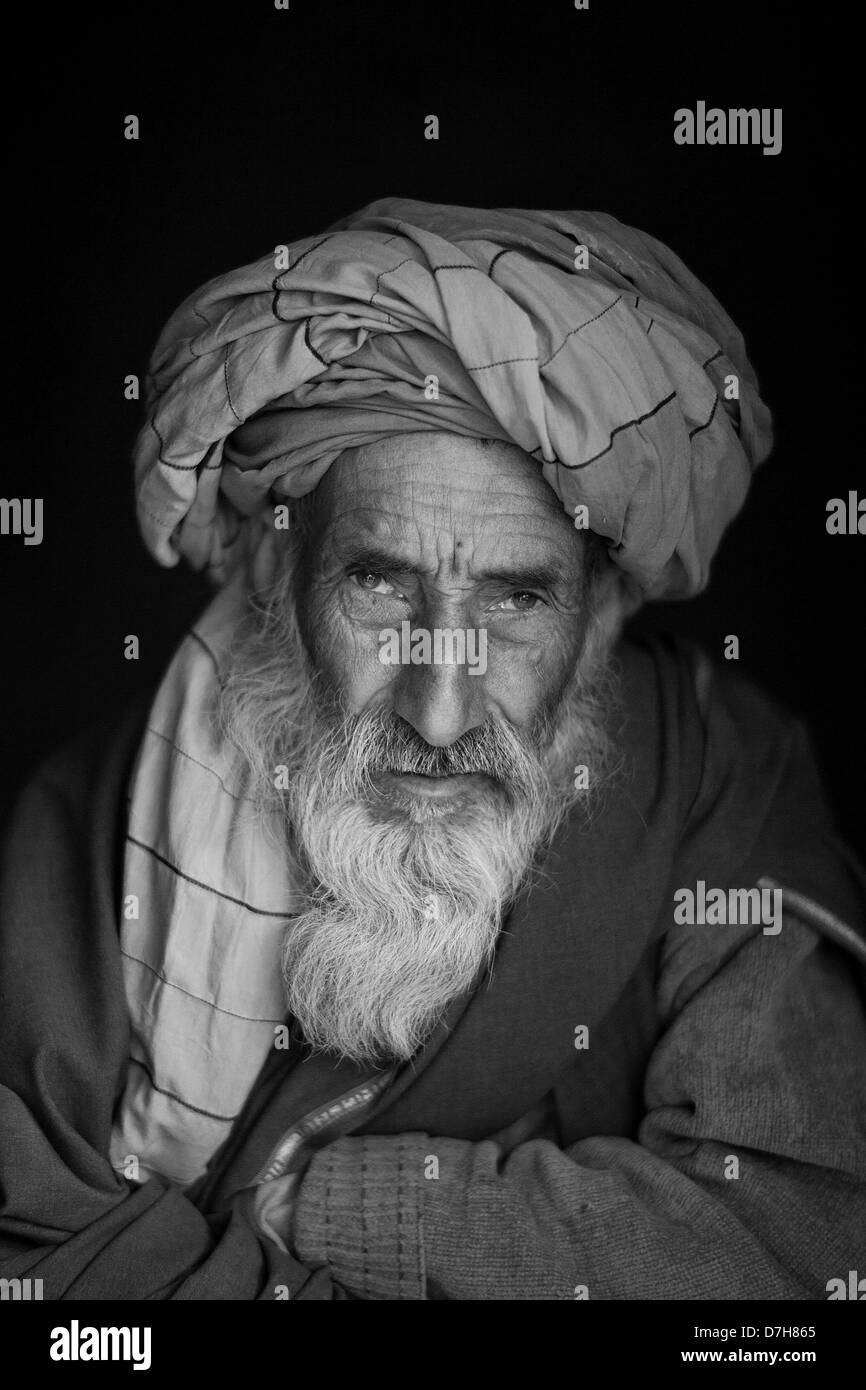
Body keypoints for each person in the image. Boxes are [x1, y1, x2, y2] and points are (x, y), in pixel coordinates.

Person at [1, 198, 864, 1301]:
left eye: (514, 601)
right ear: (274, 575)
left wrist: (321, 1207)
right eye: (378, 583)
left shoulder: (711, 774)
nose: (440, 713)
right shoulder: (99, 828)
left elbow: (792, 1234)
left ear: (602, 615)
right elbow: (34, 1252)